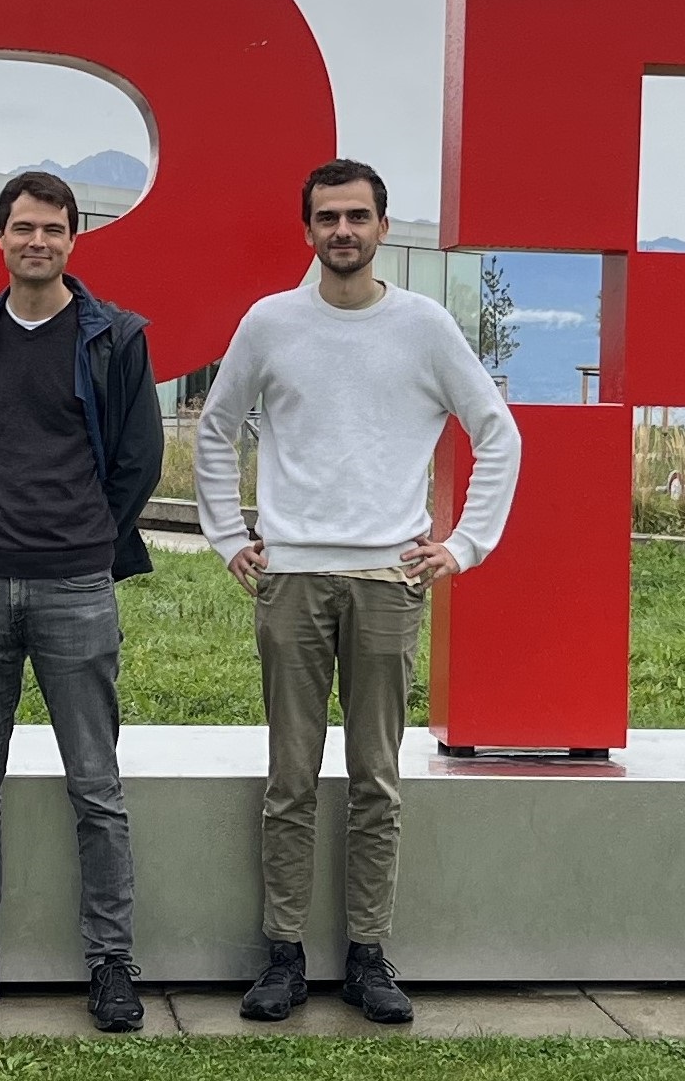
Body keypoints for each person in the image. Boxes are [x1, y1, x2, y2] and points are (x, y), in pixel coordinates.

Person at [195, 159, 520, 1025]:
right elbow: (217, 429)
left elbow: (497, 430)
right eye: (327, 217)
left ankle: (369, 955)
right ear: (307, 230)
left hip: (388, 579)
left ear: (383, 227)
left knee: (376, 777)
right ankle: (283, 956)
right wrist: (229, 536)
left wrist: (464, 545)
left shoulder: (423, 326)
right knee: (289, 780)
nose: (342, 230)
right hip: (291, 578)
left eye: (357, 216)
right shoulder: (269, 323)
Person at [0, 170, 161, 1033]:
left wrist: (86, 537)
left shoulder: (114, 338)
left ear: (73, 240)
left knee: (97, 787)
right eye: (22, 227)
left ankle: (111, 963)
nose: (36, 241)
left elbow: (136, 462)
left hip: (76, 586)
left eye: (52, 228)